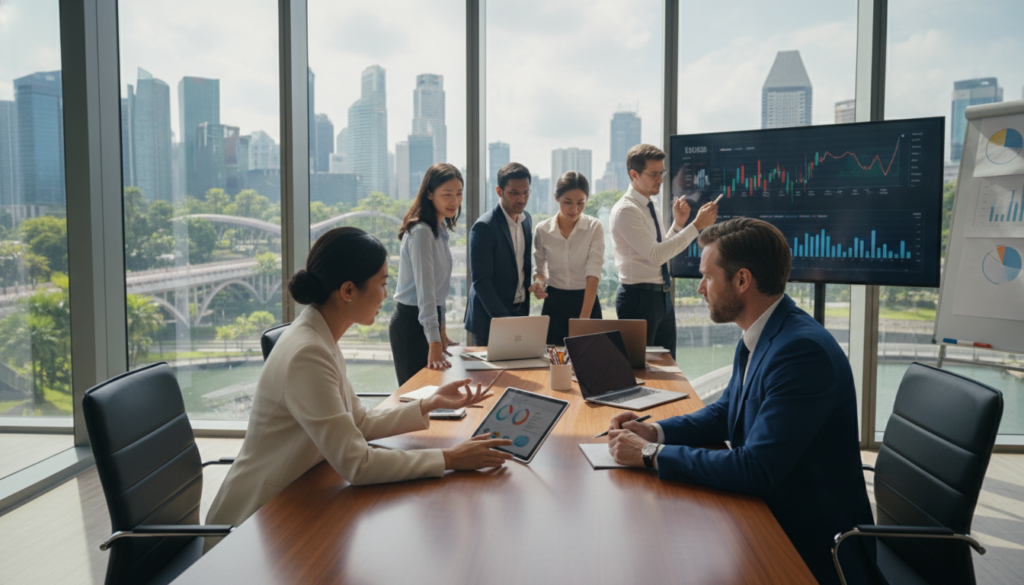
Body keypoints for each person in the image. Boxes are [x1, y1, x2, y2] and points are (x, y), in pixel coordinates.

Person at [604, 218, 882, 585]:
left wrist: (648, 455)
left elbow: (756, 469)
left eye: (707, 276)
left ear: (742, 280)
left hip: (809, 547)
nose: (700, 288)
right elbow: (727, 411)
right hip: (768, 516)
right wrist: (653, 431)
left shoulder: (801, 352)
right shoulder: (764, 331)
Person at [206, 227, 513, 533]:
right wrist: (449, 458)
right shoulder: (308, 353)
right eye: (382, 283)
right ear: (349, 290)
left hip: (297, 498)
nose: (386, 294)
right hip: (254, 520)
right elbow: (358, 465)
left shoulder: (320, 337)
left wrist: (429, 403)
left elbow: (360, 423)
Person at [609, 144, 717, 359]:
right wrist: (696, 226)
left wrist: (678, 225)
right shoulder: (626, 211)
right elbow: (656, 254)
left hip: (661, 295)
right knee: (638, 367)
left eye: (662, 173)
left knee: (668, 362)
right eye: (654, 174)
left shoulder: (651, 204)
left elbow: (660, 250)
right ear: (634, 174)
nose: (660, 179)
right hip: (638, 298)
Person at [390, 163, 463, 386]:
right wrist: (434, 343)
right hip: (411, 326)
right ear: (429, 194)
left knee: (433, 401)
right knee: (416, 401)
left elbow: (438, 293)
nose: (454, 201)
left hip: (425, 323)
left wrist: (441, 333)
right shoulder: (422, 231)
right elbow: (426, 293)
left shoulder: (440, 230)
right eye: (447, 194)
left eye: (459, 194)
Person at [529, 171, 604, 345]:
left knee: (590, 364)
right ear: (556, 198)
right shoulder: (542, 230)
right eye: (568, 202)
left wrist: (583, 321)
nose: (574, 209)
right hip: (555, 303)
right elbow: (540, 271)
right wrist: (539, 284)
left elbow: (593, 274)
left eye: (580, 203)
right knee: (552, 364)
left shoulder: (594, 227)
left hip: (586, 300)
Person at [464, 162, 534, 346]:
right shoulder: (484, 227)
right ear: (499, 191)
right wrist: (505, 322)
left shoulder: (527, 220)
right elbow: (481, 282)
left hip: (519, 313)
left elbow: (522, 265)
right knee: (492, 375)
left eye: (526, 192)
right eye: (514, 192)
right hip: (490, 319)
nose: (521, 198)